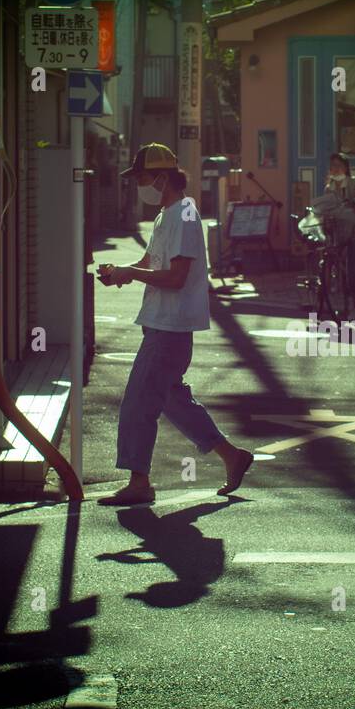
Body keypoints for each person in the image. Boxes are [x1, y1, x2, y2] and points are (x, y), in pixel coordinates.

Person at [96, 143, 254, 504]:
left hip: (171, 328)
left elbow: (177, 276)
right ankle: (233, 456)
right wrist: (120, 274)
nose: (139, 184)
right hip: (161, 324)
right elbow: (152, 262)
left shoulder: (183, 214)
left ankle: (139, 483)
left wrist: (130, 273)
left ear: (162, 177)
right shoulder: (167, 214)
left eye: (143, 177)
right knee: (171, 398)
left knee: (139, 402)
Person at [324, 152, 355, 319]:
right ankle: (345, 304)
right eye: (332, 166)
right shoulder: (329, 188)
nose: (334, 169)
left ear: (346, 167)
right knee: (343, 271)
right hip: (340, 234)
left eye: (338, 165)